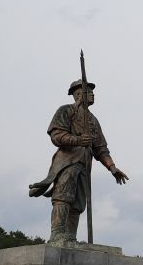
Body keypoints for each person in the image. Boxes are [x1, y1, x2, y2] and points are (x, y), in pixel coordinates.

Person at [29, 79, 128, 243]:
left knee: (78, 201)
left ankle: (69, 236)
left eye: (92, 92)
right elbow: (57, 135)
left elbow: (101, 148)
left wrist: (112, 167)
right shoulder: (66, 111)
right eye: (89, 91)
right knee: (63, 196)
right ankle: (57, 233)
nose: (93, 94)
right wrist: (78, 140)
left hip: (85, 165)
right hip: (68, 161)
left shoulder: (93, 121)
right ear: (78, 94)